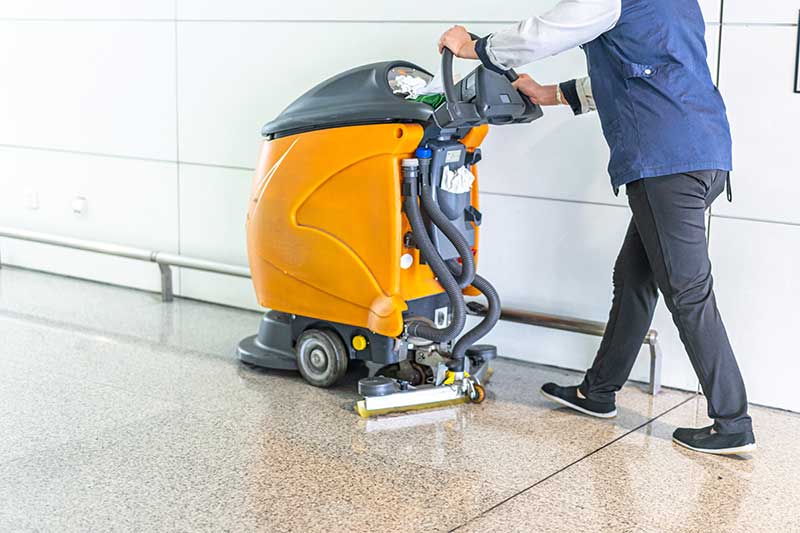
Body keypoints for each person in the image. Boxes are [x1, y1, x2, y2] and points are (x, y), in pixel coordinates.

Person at [439, 0, 756, 455]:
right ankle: (599, 392)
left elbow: (544, 32)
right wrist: (551, 94)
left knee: (688, 290)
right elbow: (639, 69)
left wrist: (476, 48)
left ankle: (732, 421)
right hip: (700, 154)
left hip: (664, 160)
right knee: (634, 278)